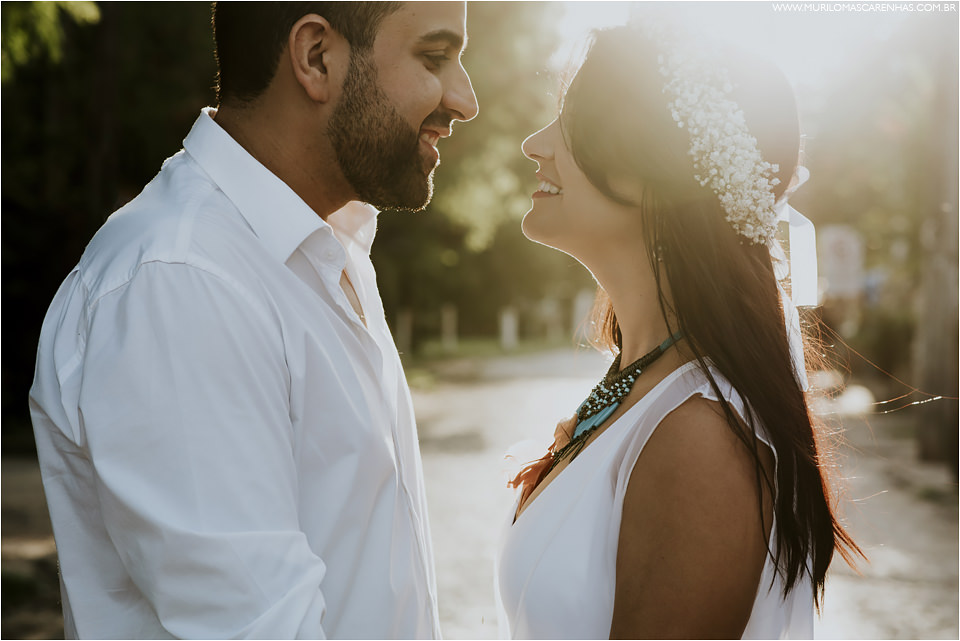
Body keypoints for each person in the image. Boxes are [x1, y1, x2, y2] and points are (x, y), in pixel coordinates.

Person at [28, 2, 477, 638]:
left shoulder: (327, 248)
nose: (464, 99)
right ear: (316, 57)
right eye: (434, 58)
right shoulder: (183, 281)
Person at [496, 22, 861, 639]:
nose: (536, 143)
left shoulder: (701, 442)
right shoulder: (642, 384)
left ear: (650, 168)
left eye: (572, 120)